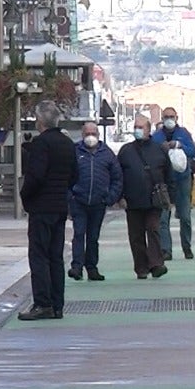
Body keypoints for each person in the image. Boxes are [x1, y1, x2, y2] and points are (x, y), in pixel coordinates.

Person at [17, 101, 77, 321]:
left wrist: (25, 196)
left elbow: (36, 176)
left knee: (39, 255)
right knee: (55, 256)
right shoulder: (67, 144)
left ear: (39, 120)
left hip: (41, 207)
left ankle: (43, 303)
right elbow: (75, 176)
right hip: (59, 206)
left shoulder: (41, 144)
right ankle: (57, 304)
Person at [115, 115, 172, 280]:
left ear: (148, 129)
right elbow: (118, 175)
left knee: (153, 229)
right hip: (132, 201)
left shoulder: (159, 149)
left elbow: (168, 174)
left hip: (153, 200)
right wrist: (120, 197)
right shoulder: (126, 151)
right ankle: (141, 267)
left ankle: (156, 264)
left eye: (141, 127)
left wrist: (170, 196)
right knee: (136, 235)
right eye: (135, 127)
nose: (137, 130)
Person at [67, 121, 122, 282]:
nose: (90, 137)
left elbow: (117, 178)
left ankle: (92, 268)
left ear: (98, 134)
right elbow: (66, 176)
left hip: (99, 202)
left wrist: (110, 198)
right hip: (79, 201)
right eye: (87, 134)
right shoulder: (75, 152)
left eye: (93, 133)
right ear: (82, 135)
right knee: (79, 234)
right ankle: (76, 267)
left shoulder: (107, 154)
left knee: (93, 237)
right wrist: (70, 197)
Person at [152, 107, 195, 260]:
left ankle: (187, 247)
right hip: (164, 181)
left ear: (176, 117)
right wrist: (162, 149)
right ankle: (166, 250)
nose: (169, 119)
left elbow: (193, 151)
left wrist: (179, 145)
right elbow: (151, 155)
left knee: (185, 216)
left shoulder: (183, 134)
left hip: (182, 179)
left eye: (171, 116)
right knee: (163, 218)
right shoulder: (157, 137)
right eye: (166, 117)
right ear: (162, 118)